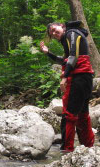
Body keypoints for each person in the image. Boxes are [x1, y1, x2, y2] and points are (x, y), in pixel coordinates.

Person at [39, 21, 95, 153]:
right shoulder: (70, 37)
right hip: (86, 78)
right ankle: (88, 147)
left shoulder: (72, 33)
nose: (53, 33)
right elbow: (64, 60)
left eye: (54, 29)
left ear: (62, 26)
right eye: (51, 33)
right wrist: (48, 53)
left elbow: (73, 57)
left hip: (79, 78)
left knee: (69, 115)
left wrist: (65, 77)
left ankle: (66, 150)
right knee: (82, 114)